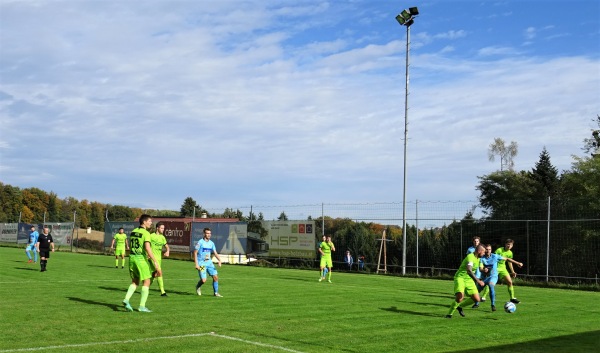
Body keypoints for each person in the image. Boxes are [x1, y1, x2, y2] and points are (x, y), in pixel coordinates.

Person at [122, 214, 161, 313]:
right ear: (144, 222)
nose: (151, 223)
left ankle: (126, 299)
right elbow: (148, 248)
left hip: (131, 258)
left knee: (135, 281)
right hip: (140, 259)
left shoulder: (133, 231)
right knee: (147, 281)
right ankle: (142, 306)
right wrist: (155, 261)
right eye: (150, 221)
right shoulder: (146, 233)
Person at [472, 244, 523, 311]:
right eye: (486, 249)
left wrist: (517, 263)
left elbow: (507, 259)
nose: (488, 251)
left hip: (493, 276)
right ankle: (476, 303)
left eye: (489, 249)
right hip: (485, 277)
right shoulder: (482, 258)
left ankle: (493, 305)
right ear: (484, 250)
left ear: (491, 250)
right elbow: (480, 268)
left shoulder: (495, 256)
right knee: (477, 291)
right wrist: (484, 269)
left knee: (491, 285)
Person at [446, 244, 485, 318]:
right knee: (460, 297)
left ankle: (460, 307)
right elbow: (469, 270)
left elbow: (480, 268)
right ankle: (449, 314)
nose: (483, 254)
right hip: (460, 278)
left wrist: (484, 270)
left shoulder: (479, 259)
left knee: (477, 299)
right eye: (483, 252)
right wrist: (478, 280)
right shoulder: (470, 256)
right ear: (479, 251)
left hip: (469, 279)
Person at [193, 227, 223, 297]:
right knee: (203, 280)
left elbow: (215, 253)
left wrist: (219, 260)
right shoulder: (200, 242)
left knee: (215, 277)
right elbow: (195, 253)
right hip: (202, 264)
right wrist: (196, 264)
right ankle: (198, 287)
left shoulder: (211, 243)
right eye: (207, 233)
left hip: (209, 263)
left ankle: (216, 293)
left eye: (210, 233)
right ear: (204, 234)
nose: (209, 235)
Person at [495, 239, 521, 304]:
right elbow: (494, 258)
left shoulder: (510, 253)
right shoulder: (499, 250)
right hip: (496, 268)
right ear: (505, 244)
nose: (509, 246)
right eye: (508, 244)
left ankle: (512, 298)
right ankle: (483, 297)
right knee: (491, 283)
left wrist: (512, 271)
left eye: (511, 245)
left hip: (503, 269)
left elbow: (509, 262)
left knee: (510, 282)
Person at [149, 222, 170, 296]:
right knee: (159, 272)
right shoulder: (151, 236)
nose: (163, 229)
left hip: (159, 259)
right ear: (157, 228)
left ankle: (145, 288)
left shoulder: (162, 237)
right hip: (152, 258)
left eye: (164, 228)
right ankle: (163, 292)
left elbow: (167, 246)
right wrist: (147, 254)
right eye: (162, 228)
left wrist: (167, 251)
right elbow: (146, 246)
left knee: (154, 275)